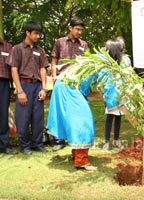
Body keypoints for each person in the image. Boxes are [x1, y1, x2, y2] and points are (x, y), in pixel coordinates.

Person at [6, 21, 48, 155]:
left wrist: (44, 88)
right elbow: (14, 70)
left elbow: (42, 70)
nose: (38, 36)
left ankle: (37, 143)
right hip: (23, 84)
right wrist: (20, 91)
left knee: (38, 116)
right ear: (27, 32)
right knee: (23, 117)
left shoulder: (40, 50)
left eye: (39, 34)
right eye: (35, 33)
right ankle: (25, 146)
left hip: (37, 85)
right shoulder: (17, 49)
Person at [50, 16, 89, 151]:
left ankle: (73, 137)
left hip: (77, 83)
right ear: (70, 28)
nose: (79, 32)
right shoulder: (60, 42)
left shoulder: (83, 44)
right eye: (77, 29)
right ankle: (58, 140)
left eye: (81, 30)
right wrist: (54, 78)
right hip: (62, 81)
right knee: (60, 110)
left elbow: (86, 64)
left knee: (75, 112)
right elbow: (54, 61)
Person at [102, 38, 132, 151]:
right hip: (110, 93)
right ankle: (106, 141)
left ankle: (116, 139)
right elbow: (103, 78)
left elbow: (128, 75)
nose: (123, 48)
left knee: (119, 115)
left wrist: (128, 90)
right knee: (109, 116)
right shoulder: (107, 62)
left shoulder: (125, 60)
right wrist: (103, 93)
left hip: (121, 92)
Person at [0, 39, 18, 155]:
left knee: (3, 114)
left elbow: (13, 67)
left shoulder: (8, 46)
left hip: (3, 82)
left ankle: (4, 145)